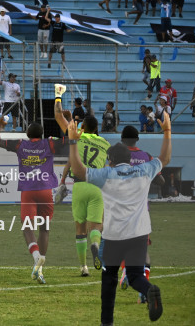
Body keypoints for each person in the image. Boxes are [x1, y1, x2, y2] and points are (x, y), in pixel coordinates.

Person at [67, 112, 170, 324]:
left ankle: (107, 322)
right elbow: (165, 158)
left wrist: (73, 142)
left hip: (114, 236)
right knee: (135, 276)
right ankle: (149, 290)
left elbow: (78, 170)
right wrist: (167, 131)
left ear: (111, 160)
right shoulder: (144, 170)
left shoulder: (107, 174)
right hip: (139, 235)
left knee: (109, 279)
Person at [0, 117, 58, 284]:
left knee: (27, 227)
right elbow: (70, 141)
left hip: (28, 190)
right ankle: (40, 268)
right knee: (45, 229)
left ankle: (36, 257)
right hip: (45, 190)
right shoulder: (49, 143)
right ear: (41, 134)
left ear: (28, 133)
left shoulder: (20, 144)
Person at [55, 85, 110, 277]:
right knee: (97, 226)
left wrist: (58, 96)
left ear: (83, 127)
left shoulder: (77, 136)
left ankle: (83, 267)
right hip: (96, 187)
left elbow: (57, 116)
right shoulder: (105, 144)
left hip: (78, 185)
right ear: (97, 129)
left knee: (79, 229)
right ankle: (95, 243)